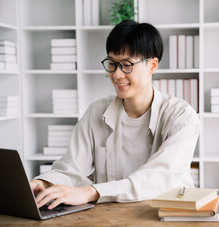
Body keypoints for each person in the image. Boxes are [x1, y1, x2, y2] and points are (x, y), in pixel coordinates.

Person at [30, 20, 200, 210]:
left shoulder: (181, 117)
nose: (117, 75)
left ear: (152, 66)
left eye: (127, 65)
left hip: (167, 216)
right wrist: (44, 184)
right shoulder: (96, 112)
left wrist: (91, 191)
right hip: (112, 218)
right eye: (112, 63)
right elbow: (71, 168)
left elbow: (158, 178)